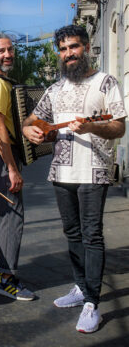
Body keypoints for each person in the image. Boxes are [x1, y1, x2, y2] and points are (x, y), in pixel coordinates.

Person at [22, 25, 127, 333]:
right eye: (64, 49)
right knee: (72, 232)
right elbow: (33, 119)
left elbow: (119, 127)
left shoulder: (106, 83)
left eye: (74, 47)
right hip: (61, 172)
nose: (68, 53)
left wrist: (92, 128)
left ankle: (92, 303)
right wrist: (30, 128)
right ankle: (80, 287)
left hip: (94, 170)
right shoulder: (55, 89)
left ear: (86, 46)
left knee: (92, 235)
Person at [0, 33, 35, 301]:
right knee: (12, 213)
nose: (8, 54)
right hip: (2, 154)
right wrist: (12, 167)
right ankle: (7, 278)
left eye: (10, 49)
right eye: (1, 51)